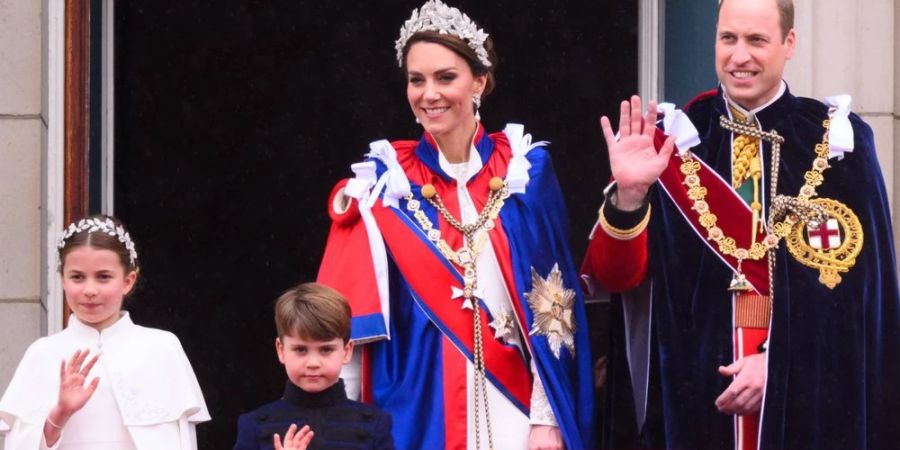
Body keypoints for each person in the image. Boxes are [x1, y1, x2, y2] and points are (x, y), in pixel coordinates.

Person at [582, 0, 900, 449]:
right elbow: (618, 278)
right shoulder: (674, 142)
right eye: (728, 38)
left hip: (809, 402)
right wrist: (630, 197)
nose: (739, 56)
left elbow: (861, 301)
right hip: (695, 399)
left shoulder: (838, 143)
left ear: (789, 43)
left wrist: (782, 362)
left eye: (756, 40)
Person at [316, 1, 594, 448]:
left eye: (446, 77)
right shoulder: (385, 183)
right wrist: (337, 424)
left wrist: (548, 417)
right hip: (417, 405)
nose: (430, 94)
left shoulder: (526, 170)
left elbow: (555, 301)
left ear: (479, 81)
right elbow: (347, 321)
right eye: (416, 80)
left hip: (516, 407)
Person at [0, 215, 210, 450]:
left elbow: (182, 442)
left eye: (103, 277)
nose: (90, 290)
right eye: (77, 277)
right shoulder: (42, 353)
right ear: (62, 280)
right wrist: (59, 414)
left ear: (128, 281)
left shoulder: (162, 348)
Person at [233, 282, 393, 450]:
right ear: (281, 350)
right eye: (300, 349)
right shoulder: (254, 425)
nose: (313, 363)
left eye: (326, 349)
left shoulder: (375, 424)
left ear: (347, 351)